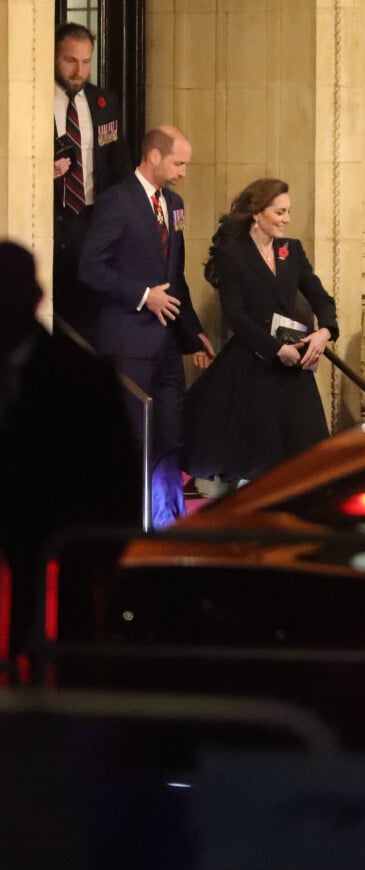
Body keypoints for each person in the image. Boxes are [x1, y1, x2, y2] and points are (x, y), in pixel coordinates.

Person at [0, 240, 142, 656]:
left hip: (64, 527)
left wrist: (112, 546)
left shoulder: (82, 376)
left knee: (72, 636)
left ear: (34, 298)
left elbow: (117, 466)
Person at [79, 126, 215, 528]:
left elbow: (178, 278)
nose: (183, 173)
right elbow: (90, 267)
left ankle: (169, 522)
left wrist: (194, 334)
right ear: (154, 156)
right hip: (127, 343)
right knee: (135, 439)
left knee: (172, 434)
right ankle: (128, 522)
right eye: (178, 163)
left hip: (168, 345)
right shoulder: (117, 201)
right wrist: (142, 295)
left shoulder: (174, 204)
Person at [181, 177, 339, 484]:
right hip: (255, 361)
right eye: (280, 212)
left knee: (304, 452)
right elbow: (236, 316)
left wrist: (326, 332)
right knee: (258, 457)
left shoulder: (290, 250)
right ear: (257, 213)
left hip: (294, 361)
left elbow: (320, 296)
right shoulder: (233, 254)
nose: (287, 220)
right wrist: (276, 349)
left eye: (288, 211)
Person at [53, 22, 132, 343]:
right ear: (54, 57)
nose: (78, 71)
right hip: (52, 218)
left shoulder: (103, 102)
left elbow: (118, 162)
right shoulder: (31, 102)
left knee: (92, 309)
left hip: (92, 218)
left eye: (86, 62)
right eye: (70, 61)